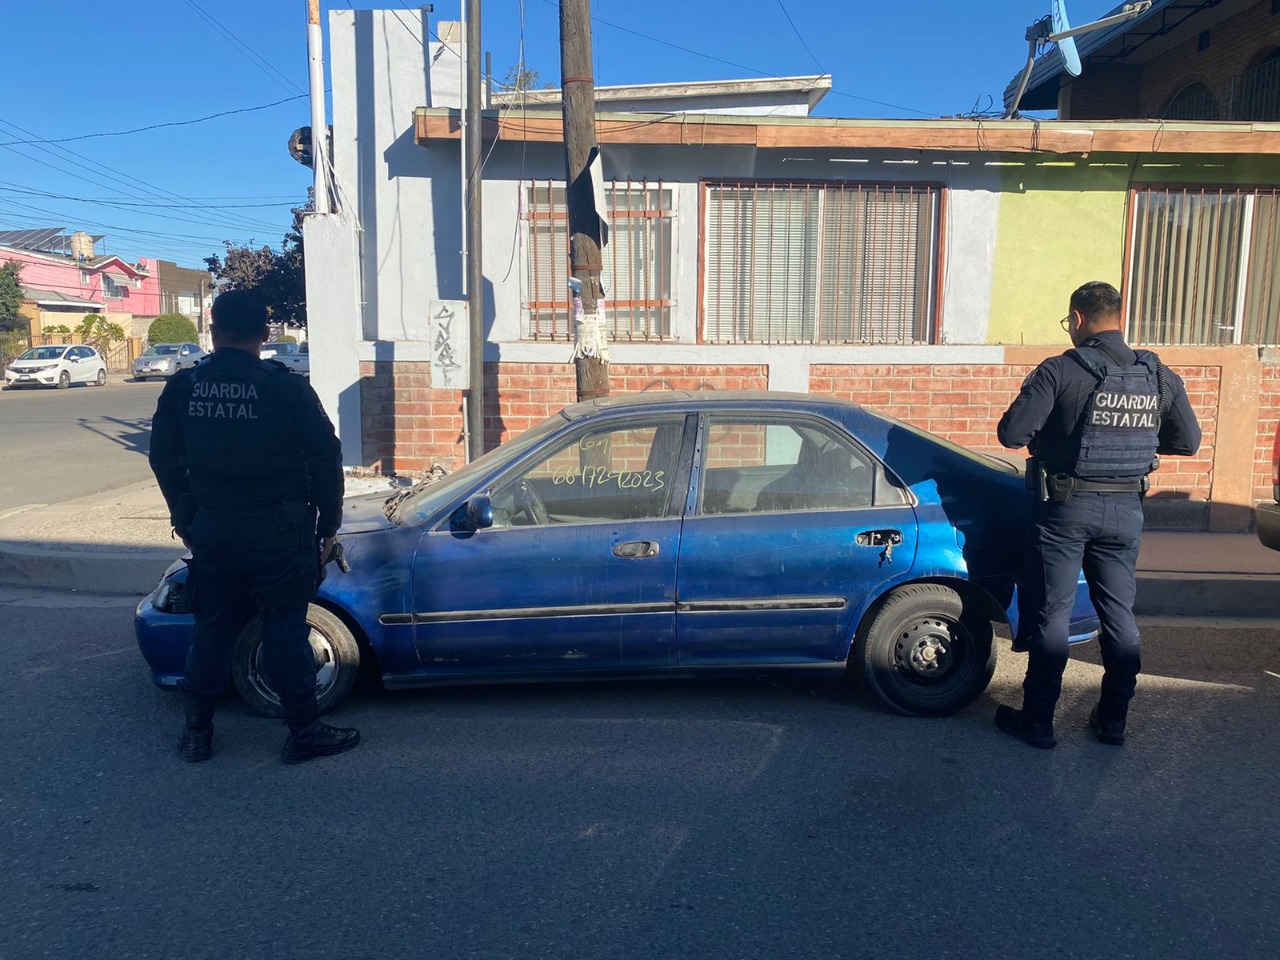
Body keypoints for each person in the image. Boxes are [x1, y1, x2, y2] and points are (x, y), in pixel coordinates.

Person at [149, 290, 360, 764]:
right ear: (265, 334)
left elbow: (162, 457)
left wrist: (185, 516)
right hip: (279, 533)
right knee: (285, 629)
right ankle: (303, 733)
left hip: (214, 530)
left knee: (213, 629)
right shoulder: (286, 388)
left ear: (212, 331)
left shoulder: (184, 386)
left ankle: (196, 733)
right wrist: (329, 525)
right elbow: (325, 457)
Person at [994, 281, 1201, 749]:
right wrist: (1138, 441)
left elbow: (1012, 433)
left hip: (1064, 510)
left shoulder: (1060, 370)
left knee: (1053, 614)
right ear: (1119, 318)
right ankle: (1112, 721)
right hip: (1126, 510)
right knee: (1119, 616)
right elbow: (1188, 441)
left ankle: (1038, 722)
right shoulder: (1158, 374)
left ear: (1078, 319)